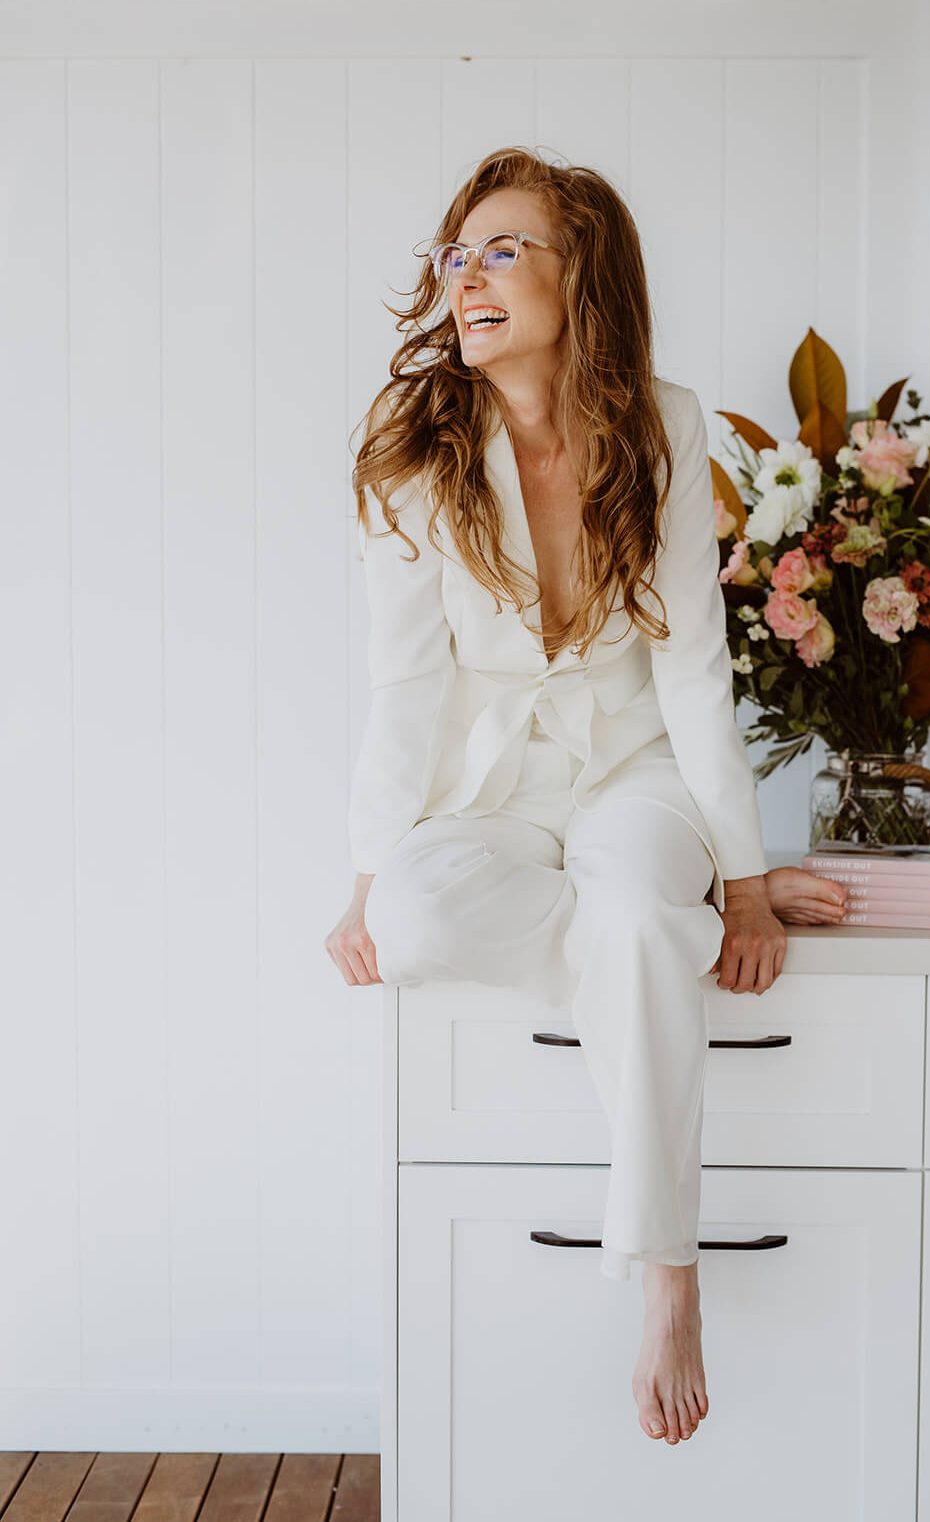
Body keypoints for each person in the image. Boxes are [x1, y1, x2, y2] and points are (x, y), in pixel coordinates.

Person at [324, 146, 847, 1448]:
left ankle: (665, 1271)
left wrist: (732, 875)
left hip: (633, 767)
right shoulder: (407, 450)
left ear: (583, 278)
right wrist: (368, 877)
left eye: (505, 250)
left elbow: (689, 671)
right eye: (457, 255)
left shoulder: (660, 425)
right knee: (422, 929)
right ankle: (647, 910)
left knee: (627, 913)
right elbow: (404, 689)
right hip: (496, 783)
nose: (469, 276)